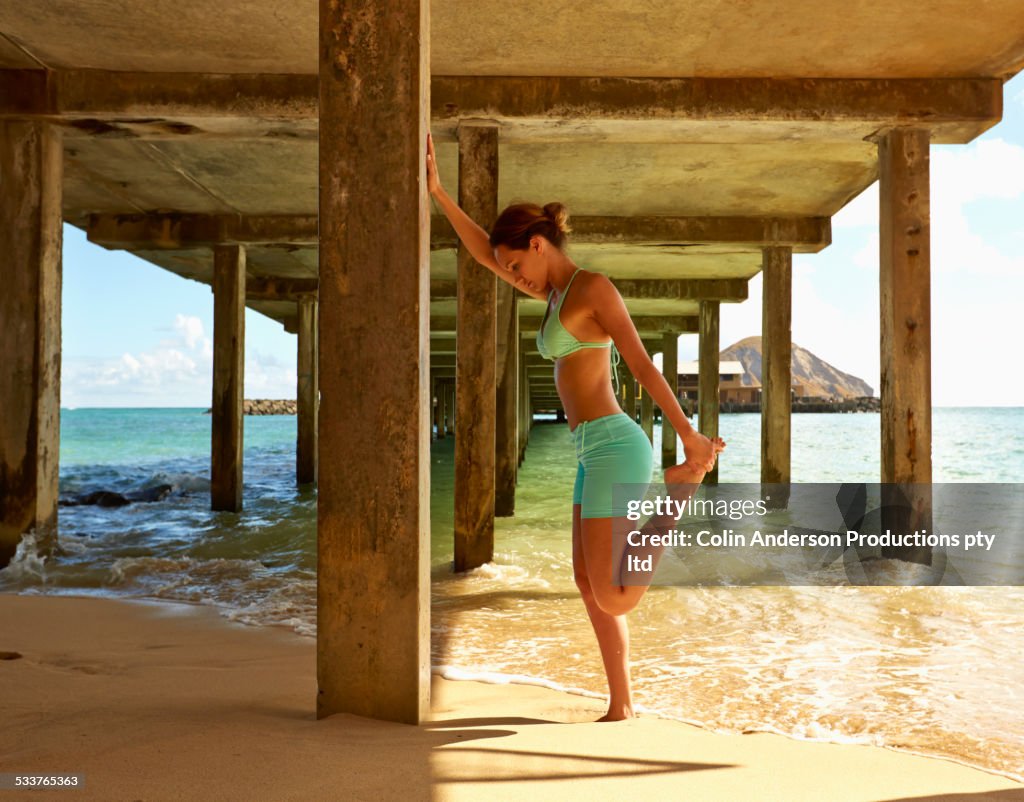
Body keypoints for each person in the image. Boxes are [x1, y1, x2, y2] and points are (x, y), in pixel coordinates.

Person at [426, 132, 726, 721]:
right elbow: (483, 253)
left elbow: (639, 361)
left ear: (538, 244)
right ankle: (622, 704)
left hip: (618, 445)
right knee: (587, 584)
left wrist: (687, 433)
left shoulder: (592, 288)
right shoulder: (553, 294)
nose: (513, 277)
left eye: (517, 265)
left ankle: (679, 493)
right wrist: (438, 193)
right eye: (508, 271)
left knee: (615, 592)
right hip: (590, 450)